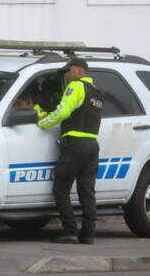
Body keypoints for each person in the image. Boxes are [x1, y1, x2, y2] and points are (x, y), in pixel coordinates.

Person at [35, 57, 103, 245]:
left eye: (68, 70)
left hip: (75, 144)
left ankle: (70, 231)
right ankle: (88, 234)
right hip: (92, 145)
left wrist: (43, 121)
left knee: (61, 188)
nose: (66, 74)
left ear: (79, 70)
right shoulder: (96, 93)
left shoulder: (76, 87)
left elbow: (63, 112)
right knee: (87, 191)